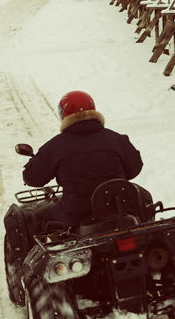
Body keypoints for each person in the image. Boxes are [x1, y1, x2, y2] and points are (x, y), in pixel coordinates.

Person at [22, 91, 143, 231]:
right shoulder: (115, 138)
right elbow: (134, 168)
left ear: (63, 114)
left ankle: (59, 250)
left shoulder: (55, 146)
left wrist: (34, 162)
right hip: (118, 207)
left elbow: (34, 179)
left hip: (76, 213)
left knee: (47, 218)